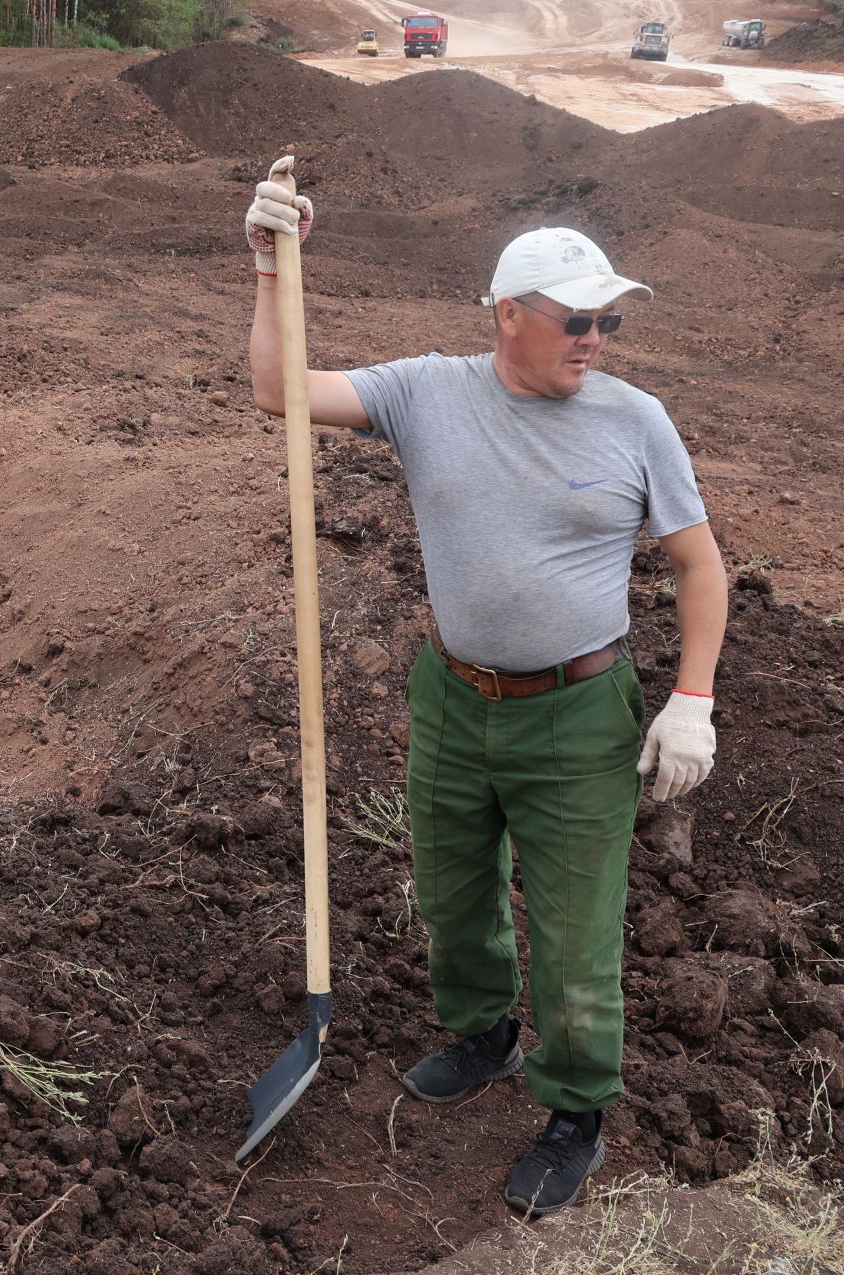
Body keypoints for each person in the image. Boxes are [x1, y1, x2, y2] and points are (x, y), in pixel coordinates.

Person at [244, 156, 727, 1216]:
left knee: (574, 927)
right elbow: (280, 392)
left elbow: (699, 565)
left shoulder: (636, 420)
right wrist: (272, 271)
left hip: (578, 712)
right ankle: (482, 1035)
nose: (597, 341)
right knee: (454, 891)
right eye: (578, 322)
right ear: (510, 315)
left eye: (611, 323)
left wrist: (691, 696)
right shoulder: (427, 391)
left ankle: (575, 1107)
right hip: (455, 699)